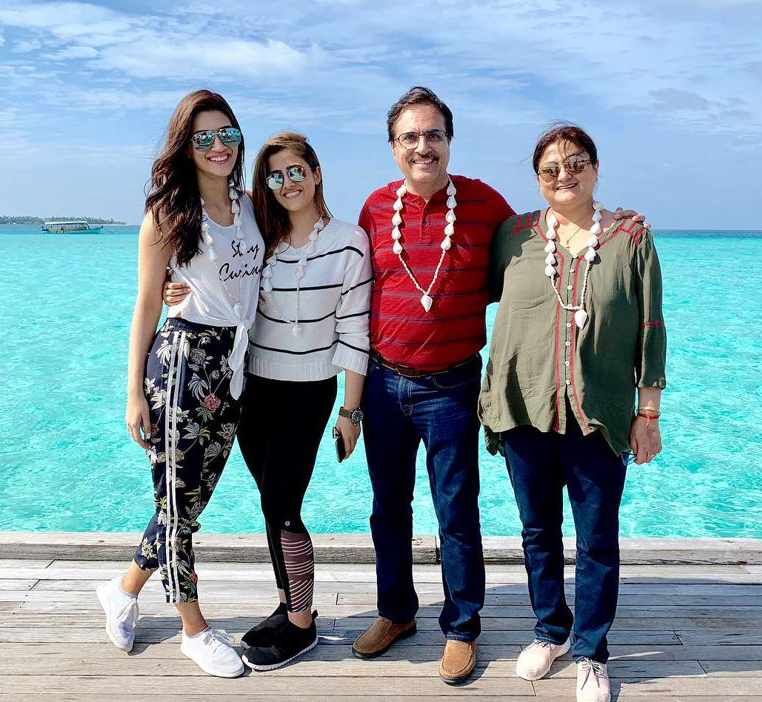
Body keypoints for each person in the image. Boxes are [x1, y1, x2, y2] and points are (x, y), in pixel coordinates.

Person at [353, 87, 647, 686]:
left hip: (453, 386)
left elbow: (529, 268)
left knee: (456, 511)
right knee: (388, 508)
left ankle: (462, 626)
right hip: (384, 385)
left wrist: (616, 224)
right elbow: (351, 286)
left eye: (433, 134)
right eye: (410, 136)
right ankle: (396, 612)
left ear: (449, 140)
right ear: (392, 147)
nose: (422, 146)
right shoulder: (373, 209)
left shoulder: (488, 208)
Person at [165, 132, 372, 671]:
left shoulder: (350, 240)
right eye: (276, 175)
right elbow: (214, 273)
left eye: (297, 170)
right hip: (252, 385)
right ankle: (290, 606)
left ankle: (301, 626)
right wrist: (175, 286)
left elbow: (354, 330)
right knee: (270, 502)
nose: (288, 182)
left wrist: (351, 411)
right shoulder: (261, 236)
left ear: (317, 171)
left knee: (284, 503)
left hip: (310, 391)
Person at [478, 123, 666, 702]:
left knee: (596, 540)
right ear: (537, 179)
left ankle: (591, 650)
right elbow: (469, 294)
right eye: (551, 168)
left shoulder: (631, 236)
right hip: (523, 409)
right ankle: (549, 630)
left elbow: (650, 328)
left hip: (598, 416)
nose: (565, 175)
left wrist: (648, 413)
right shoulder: (514, 234)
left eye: (576, 162)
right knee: (538, 532)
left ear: (596, 167)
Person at [97, 90, 264, 678]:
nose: (218, 146)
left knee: (186, 501)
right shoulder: (168, 212)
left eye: (227, 134)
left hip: (234, 366)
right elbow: (146, 305)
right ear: (185, 147)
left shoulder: (248, 206)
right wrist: (133, 392)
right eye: (203, 138)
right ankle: (194, 629)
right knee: (177, 508)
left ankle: (122, 590)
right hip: (183, 365)